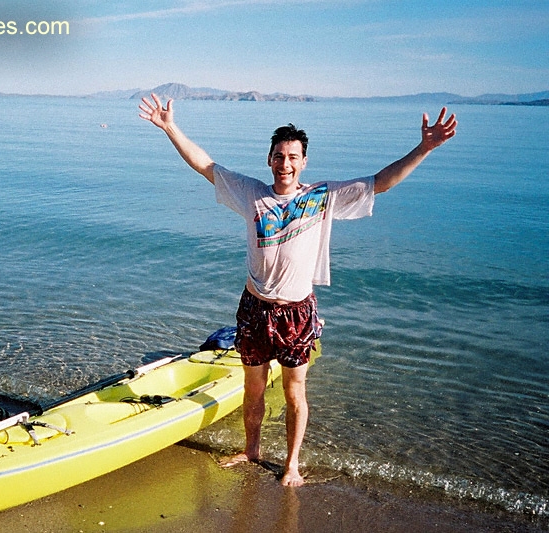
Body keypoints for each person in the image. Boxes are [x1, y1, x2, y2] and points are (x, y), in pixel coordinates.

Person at [139, 94, 457, 486]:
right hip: (255, 308)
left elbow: (381, 183)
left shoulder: (322, 197)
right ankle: (251, 449)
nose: (285, 164)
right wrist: (170, 127)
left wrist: (424, 148)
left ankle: (292, 464)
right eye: (279, 156)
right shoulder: (252, 193)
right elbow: (205, 165)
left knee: (295, 392)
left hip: (296, 312)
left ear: (303, 161)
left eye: (293, 157)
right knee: (253, 388)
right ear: (269, 160)